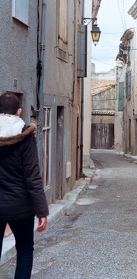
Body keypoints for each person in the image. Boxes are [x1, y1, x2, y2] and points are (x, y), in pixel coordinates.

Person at [0, 92, 49, 278]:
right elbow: (32, 176)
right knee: (25, 250)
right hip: (21, 207)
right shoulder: (25, 135)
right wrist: (41, 211)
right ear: (19, 111)